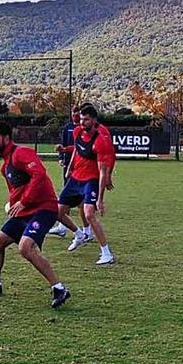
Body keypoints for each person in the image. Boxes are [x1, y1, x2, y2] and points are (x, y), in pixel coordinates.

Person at [0, 121, 71, 308]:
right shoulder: (5, 165)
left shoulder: (21, 153)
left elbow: (39, 174)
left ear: (6, 138)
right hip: (23, 212)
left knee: (25, 248)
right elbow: (17, 188)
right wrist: (13, 204)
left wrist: (24, 201)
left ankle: (59, 288)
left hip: (44, 209)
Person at [55, 104, 117, 265]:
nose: (82, 122)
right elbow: (76, 149)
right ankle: (79, 234)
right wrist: (69, 169)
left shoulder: (100, 141)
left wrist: (100, 199)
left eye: (86, 119)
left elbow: (102, 171)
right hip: (75, 179)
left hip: (91, 181)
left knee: (89, 214)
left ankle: (106, 254)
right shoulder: (77, 132)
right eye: (81, 119)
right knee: (58, 212)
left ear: (94, 121)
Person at [49, 106, 91, 238]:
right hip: (69, 166)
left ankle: (86, 231)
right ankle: (64, 227)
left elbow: (77, 148)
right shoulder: (67, 127)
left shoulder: (85, 131)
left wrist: (65, 150)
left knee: (79, 201)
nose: (76, 116)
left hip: (80, 169)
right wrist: (62, 157)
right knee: (66, 197)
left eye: (79, 115)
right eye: (74, 114)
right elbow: (64, 144)